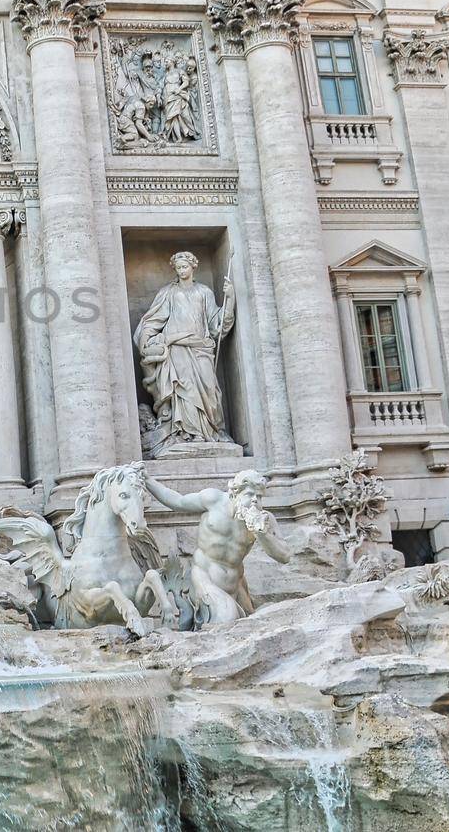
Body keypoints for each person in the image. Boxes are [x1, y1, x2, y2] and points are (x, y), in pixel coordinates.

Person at [140, 469, 291, 625]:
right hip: (204, 577)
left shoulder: (265, 519)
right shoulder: (214, 500)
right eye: (249, 494)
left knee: (253, 623)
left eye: (259, 496)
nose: (254, 501)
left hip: (236, 584)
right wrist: (148, 481)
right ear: (235, 494)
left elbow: (284, 556)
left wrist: (262, 533)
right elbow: (178, 501)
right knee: (228, 618)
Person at [136, 251, 235, 455]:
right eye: (178, 268)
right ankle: (185, 433)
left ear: (193, 267)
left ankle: (210, 431)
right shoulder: (168, 293)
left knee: (209, 390)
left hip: (200, 348)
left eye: (185, 267)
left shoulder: (204, 292)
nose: (181, 271)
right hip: (177, 349)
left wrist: (230, 298)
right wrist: (147, 339)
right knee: (184, 389)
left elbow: (217, 324)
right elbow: (152, 321)